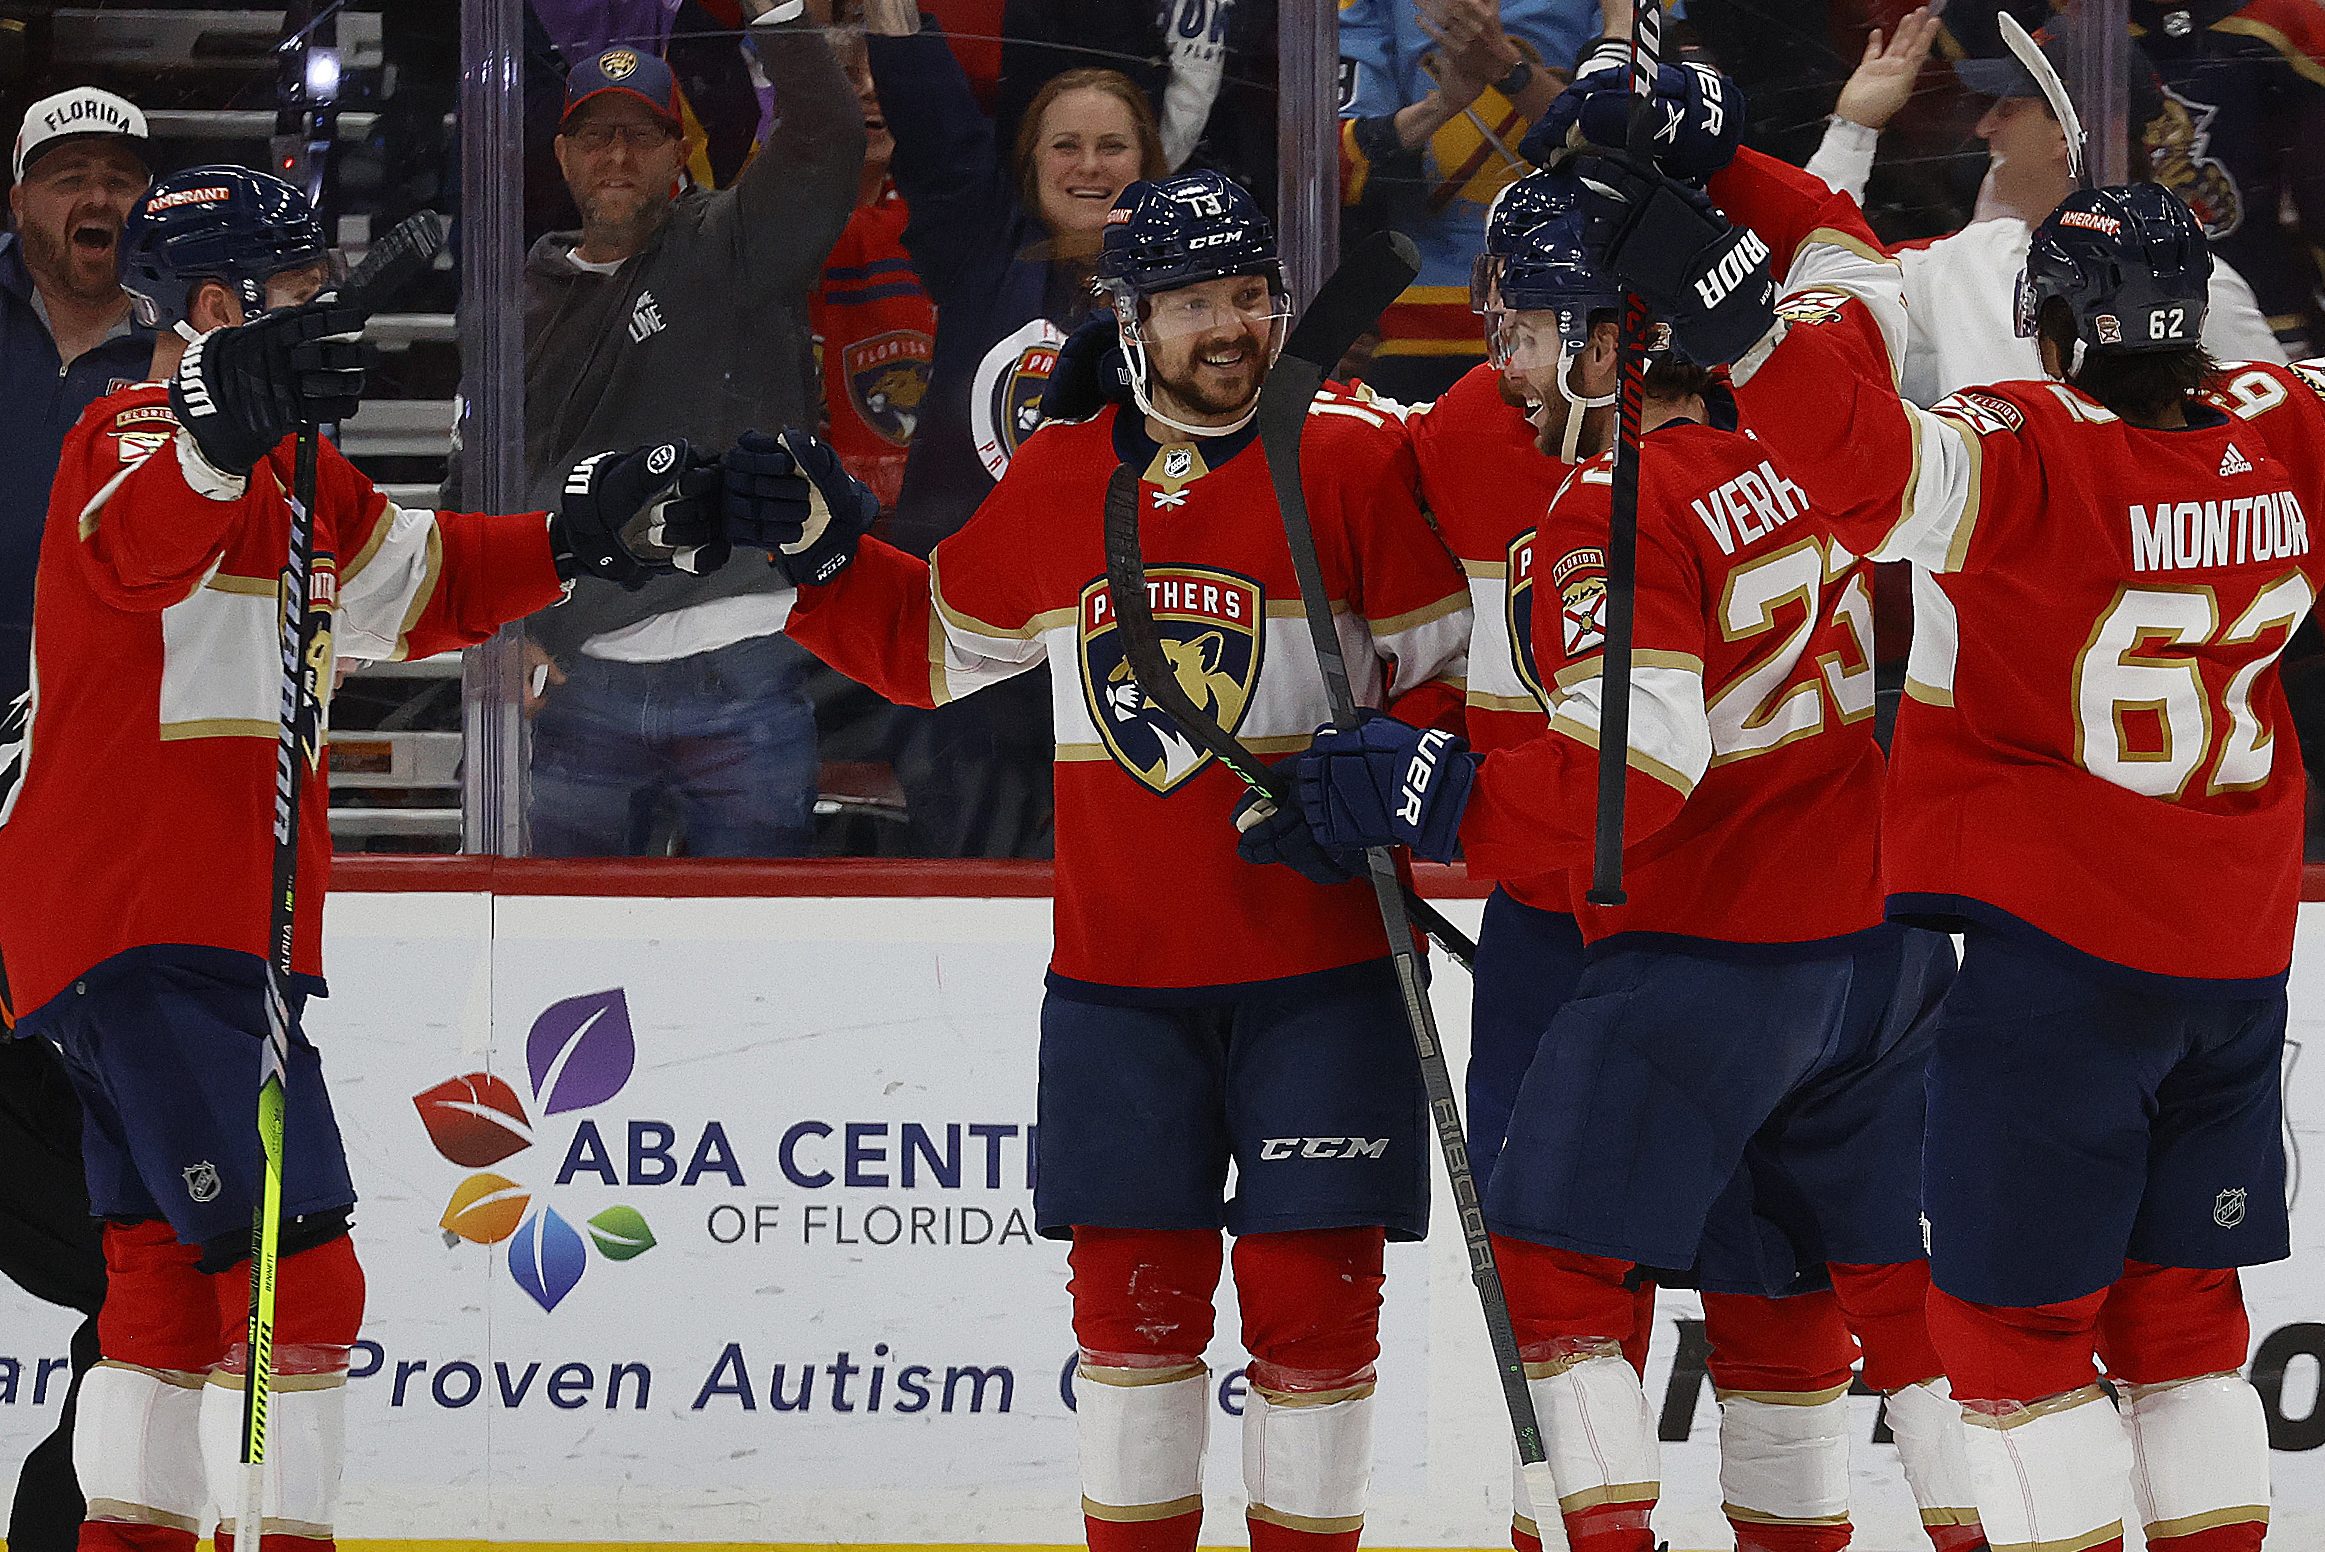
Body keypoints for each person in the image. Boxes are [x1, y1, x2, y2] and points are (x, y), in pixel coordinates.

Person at [1580, 90, 2314, 1552]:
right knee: (2183, 1323)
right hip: (2237, 966)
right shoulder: (2290, 426)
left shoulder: (2032, 454)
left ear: (2056, 327)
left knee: (2009, 1341)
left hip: (2062, 971)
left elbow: (1862, 468)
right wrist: (1731, 182)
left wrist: (1745, 331)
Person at [719, 169, 1472, 1552]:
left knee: (1314, 1311)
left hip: (1325, 973)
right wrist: (823, 557)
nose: (1229, 326)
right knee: (1132, 1316)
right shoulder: (1067, 476)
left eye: (1248, 294)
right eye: (1191, 303)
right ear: (1129, 322)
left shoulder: (1355, 453)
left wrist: (1385, 776)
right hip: (1121, 985)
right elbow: (933, 645)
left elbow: (1450, 671)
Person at [0, 164, 727, 1552]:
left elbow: (427, 586)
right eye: (296, 290)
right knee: (300, 1288)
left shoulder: (301, 476)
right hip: (159, 929)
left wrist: (586, 534)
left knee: (159, 1289)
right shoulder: (131, 431)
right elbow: (137, 543)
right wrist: (218, 421)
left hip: (158, 940)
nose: (325, 312)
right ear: (218, 307)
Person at [1265, 150, 1983, 1552]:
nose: (1508, 367)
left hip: (1712, 958)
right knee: (1876, 1297)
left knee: (1551, 1270)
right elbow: (1850, 271)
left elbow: (1633, 777)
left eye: (1533, 334)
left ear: (1613, 341)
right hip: (1880, 954)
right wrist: (1708, 164)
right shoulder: (1816, 415)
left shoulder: (1608, 507)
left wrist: (1438, 793)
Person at [488, 21, 861, 859]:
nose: (617, 155)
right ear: (562, 154)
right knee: (568, 931)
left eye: (640, 134)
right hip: (580, 678)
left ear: (677, 151)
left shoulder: (734, 242)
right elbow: (477, 479)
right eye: (595, 135)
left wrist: (783, 20)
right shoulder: (521, 302)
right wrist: (500, 628)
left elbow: (827, 135)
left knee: (749, 929)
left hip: (744, 661)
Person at [862, 0, 1168, 856]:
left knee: (1122, 867)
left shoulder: (1184, 295)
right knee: (972, 879)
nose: (1089, 166)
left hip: (1125, 633)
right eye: (1065, 145)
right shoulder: (983, 253)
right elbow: (937, 138)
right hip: (969, 630)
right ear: (1030, 163)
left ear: (1147, 163)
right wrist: (895, 19)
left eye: (1112, 146)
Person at [0, 84, 152, 1552]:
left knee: (148, 1249)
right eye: (68, 176)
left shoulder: (192, 367)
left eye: (119, 176)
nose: (95, 199)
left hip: (95, 829)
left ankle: (65, 1523)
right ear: (20, 198)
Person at [1803, 9, 2283, 404]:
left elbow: (2283, 433)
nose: (1985, 128)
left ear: (2067, 133)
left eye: (2009, 107)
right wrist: (1851, 131)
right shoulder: (1959, 265)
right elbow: (1809, 291)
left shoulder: (2192, 280)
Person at [1337, 0, 1592, 401]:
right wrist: (1439, 107)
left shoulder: (1616, 8)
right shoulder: (1372, 6)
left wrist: (1508, 69)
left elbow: (1634, 150)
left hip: (1574, 318)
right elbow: (1335, 170)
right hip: (1416, 325)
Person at [813, 21, 937, 513]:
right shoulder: (761, 217)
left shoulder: (939, 225)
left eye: (881, 74)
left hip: (916, 505)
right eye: (848, 75)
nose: (870, 91)